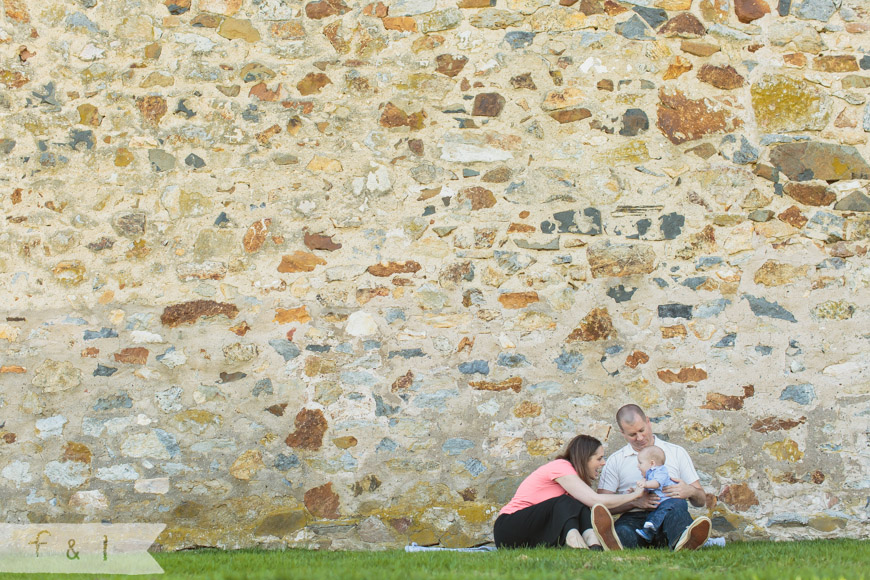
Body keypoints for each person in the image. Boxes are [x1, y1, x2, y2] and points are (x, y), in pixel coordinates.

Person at [493, 434, 645, 550]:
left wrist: (633, 502)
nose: (603, 462)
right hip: (509, 527)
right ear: (585, 458)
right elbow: (595, 499)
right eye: (599, 458)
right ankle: (576, 540)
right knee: (567, 502)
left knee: (581, 506)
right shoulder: (561, 466)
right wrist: (633, 495)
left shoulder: (574, 481)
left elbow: (591, 504)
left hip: (532, 531)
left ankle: (594, 545)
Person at [597, 404, 711, 551]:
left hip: (669, 514)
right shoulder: (616, 460)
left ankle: (684, 540)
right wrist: (634, 502)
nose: (639, 438)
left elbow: (701, 501)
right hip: (635, 519)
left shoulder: (676, 452)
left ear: (648, 421)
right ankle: (616, 541)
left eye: (642, 430)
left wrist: (690, 491)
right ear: (622, 433)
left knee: (678, 513)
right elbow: (602, 506)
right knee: (623, 531)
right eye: (632, 435)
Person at [633, 445, 685, 542]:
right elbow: (648, 490)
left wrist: (645, 484)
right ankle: (648, 533)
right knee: (655, 515)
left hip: (672, 500)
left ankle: (651, 527)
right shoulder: (649, 475)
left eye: (640, 463)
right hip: (661, 503)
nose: (638, 466)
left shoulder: (661, 471)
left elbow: (656, 484)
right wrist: (634, 490)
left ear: (652, 463)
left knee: (660, 513)